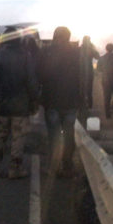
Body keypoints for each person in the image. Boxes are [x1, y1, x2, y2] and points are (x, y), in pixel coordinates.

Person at [0, 27, 39, 179]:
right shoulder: (26, 56)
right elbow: (32, 82)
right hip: (21, 105)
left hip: (2, 104)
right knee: (18, 138)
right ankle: (15, 169)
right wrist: (35, 99)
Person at [37, 26, 82, 178]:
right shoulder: (76, 53)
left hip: (52, 101)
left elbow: (40, 75)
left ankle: (53, 167)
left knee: (54, 136)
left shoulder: (46, 52)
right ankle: (67, 166)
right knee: (69, 136)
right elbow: (83, 78)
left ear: (55, 36)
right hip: (71, 102)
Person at [78, 35, 100, 125]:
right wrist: (93, 47)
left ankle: (81, 110)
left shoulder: (79, 48)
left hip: (80, 72)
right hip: (88, 72)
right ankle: (89, 110)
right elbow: (98, 56)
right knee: (89, 91)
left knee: (81, 91)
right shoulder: (90, 49)